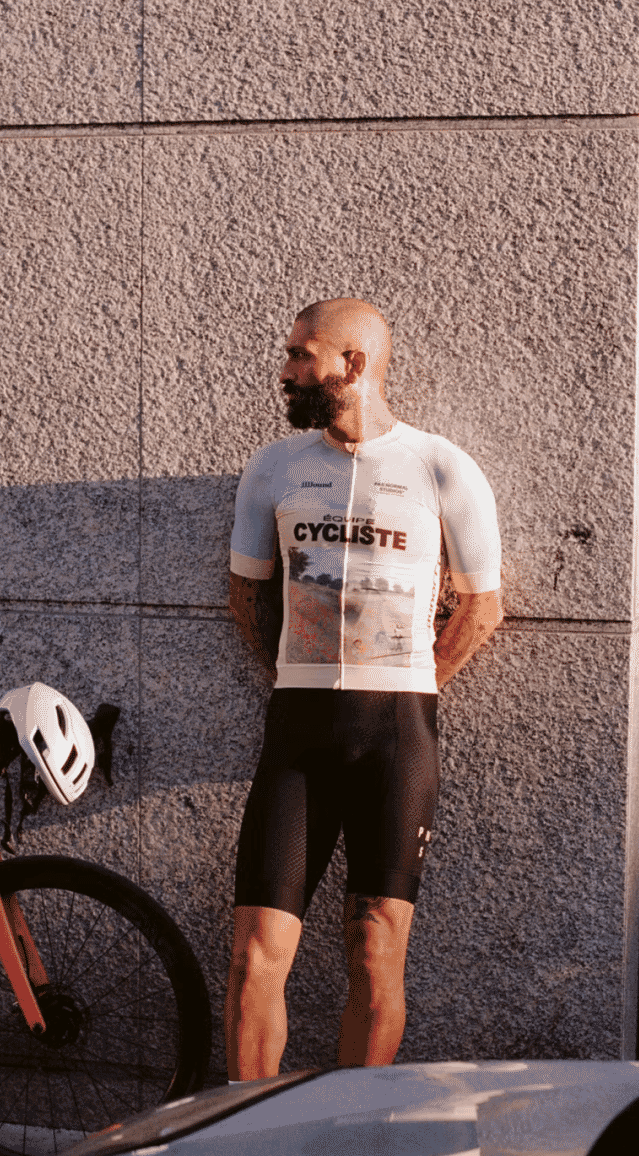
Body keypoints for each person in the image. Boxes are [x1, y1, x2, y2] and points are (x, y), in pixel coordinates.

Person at [225, 297, 503, 1080]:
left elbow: (482, 606)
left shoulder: (439, 466)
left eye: (300, 355)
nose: (285, 371)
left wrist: (416, 681)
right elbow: (246, 596)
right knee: (253, 957)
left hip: (397, 736)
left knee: (375, 949)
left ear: (352, 364)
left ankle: (352, 1129)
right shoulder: (274, 468)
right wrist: (295, 672)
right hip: (297, 735)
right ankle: (239, 1144)